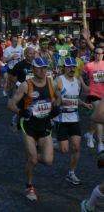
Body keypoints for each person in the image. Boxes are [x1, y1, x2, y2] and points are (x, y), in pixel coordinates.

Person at [8, 57, 61, 202]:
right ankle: (29, 186)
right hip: (29, 126)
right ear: (33, 69)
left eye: (45, 67)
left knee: (48, 160)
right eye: (39, 68)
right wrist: (20, 112)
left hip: (44, 126)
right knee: (32, 158)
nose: (43, 70)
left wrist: (56, 107)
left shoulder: (51, 83)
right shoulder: (26, 85)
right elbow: (11, 104)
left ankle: (31, 158)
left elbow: (58, 97)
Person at [53, 57, 92, 185]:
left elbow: (75, 98)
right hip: (61, 119)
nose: (71, 69)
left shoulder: (77, 82)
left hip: (74, 119)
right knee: (64, 150)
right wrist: (56, 101)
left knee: (76, 147)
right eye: (69, 66)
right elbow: (52, 98)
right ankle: (51, 143)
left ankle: (71, 172)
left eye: (73, 67)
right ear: (65, 67)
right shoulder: (58, 80)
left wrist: (84, 104)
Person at [83, 47, 104, 152]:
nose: (98, 55)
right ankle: (100, 143)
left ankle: (90, 134)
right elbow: (80, 76)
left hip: (103, 95)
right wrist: (84, 86)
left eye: (100, 53)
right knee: (100, 117)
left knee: (95, 117)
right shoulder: (89, 65)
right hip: (93, 94)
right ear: (94, 54)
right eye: (96, 53)